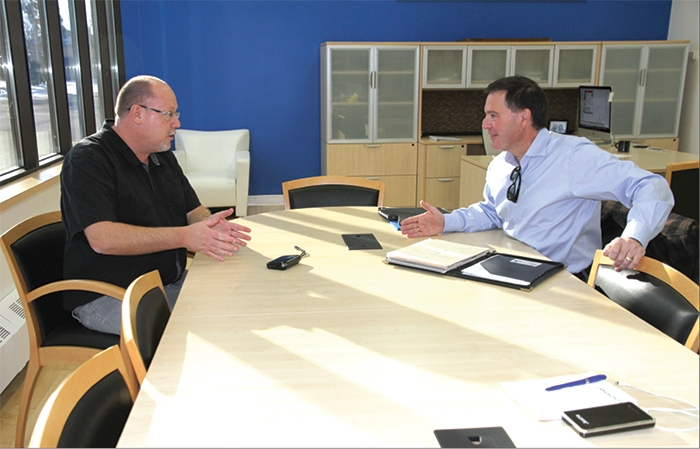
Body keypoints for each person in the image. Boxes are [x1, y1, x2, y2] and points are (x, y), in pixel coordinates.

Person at [401, 76, 673, 279]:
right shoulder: (501, 165)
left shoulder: (572, 157)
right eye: (486, 115)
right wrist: (446, 221)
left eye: (493, 115)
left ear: (523, 117)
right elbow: (494, 212)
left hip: (564, 280)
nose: (485, 124)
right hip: (514, 264)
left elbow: (651, 185)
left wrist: (635, 238)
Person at [61, 75, 252, 335]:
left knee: (239, 302)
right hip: (109, 295)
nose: (177, 123)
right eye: (169, 114)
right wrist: (185, 236)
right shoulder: (88, 160)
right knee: (208, 329)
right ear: (137, 113)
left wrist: (209, 227)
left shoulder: (162, 158)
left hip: (164, 283)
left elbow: (193, 211)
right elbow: (103, 239)